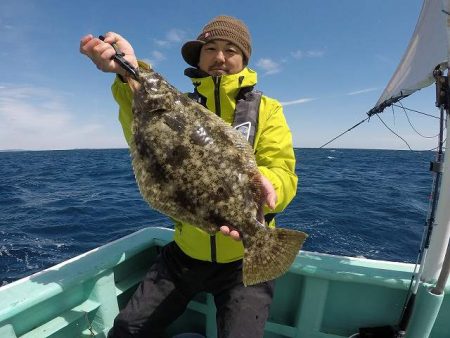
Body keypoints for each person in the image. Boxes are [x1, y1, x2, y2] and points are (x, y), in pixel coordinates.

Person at [80, 15, 298, 338]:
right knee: (126, 330)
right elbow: (140, 127)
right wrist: (128, 72)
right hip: (186, 253)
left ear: (244, 59)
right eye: (211, 48)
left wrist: (268, 186)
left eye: (230, 49)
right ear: (199, 57)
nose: (220, 57)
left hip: (240, 264)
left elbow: (282, 170)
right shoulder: (180, 104)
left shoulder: (267, 109)